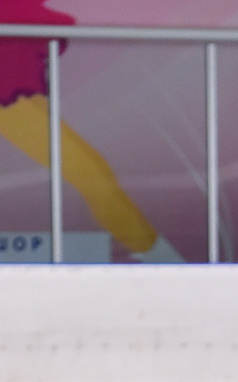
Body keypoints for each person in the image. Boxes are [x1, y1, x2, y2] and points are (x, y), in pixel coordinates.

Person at [0, 0, 182, 261]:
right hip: (8, 88)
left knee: (90, 171)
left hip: (11, 85)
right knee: (89, 171)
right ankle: (159, 256)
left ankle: (158, 255)